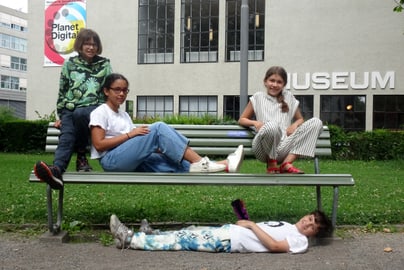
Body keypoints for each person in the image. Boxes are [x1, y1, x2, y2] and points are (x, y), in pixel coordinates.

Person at [89, 73, 244, 173]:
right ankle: (200, 162)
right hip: (111, 161)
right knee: (158, 128)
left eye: (125, 90)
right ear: (106, 91)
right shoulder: (100, 112)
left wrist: (164, 148)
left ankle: (224, 165)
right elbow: (99, 145)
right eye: (117, 90)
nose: (122, 93)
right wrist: (130, 135)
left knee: (168, 159)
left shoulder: (123, 115)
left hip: (127, 159)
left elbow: (136, 143)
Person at [34, 28, 113, 189]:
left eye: (94, 44)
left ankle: (81, 155)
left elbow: (109, 89)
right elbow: (63, 90)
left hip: (94, 108)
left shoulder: (104, 64)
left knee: (81, 113)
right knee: (67, 135)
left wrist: (108, 112)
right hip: (70, 108)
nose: (91, 47)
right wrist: (61, 115)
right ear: (80, 45)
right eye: (87, 44)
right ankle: (56, 170)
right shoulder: (69, 64)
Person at [109, 210, 333, 253]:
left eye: (314, 227)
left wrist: (252, 225)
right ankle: (152, 234)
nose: (308, 224)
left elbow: (275, 247)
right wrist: (244, 223)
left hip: (227, 242)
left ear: (314, 234)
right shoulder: (288, 225)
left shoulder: (300, 241)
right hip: (229, 233)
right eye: (310, 219)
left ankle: (130, 239)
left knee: (183, 240)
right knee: (189, 231)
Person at [238, 66, 323, 174]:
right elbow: (242, 119)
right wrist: (255, 123)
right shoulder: (258, 97)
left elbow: (300, 119)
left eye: (279, 82)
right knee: (272, 126)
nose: (274, 84)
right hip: (263, 148)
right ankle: (271, 162)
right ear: (265, 82)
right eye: (272, 80)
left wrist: (295, 124)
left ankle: (287, 163)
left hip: (284, 146)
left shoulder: (289, 97)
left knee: (316, 122)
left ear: (283, 85)